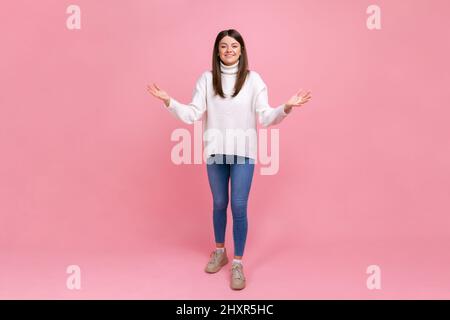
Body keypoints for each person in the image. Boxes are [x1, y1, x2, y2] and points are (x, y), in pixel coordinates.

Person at [147, 29, 312, 290]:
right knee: (219, 202)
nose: (228, 50)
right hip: (216, 151)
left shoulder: (253, 80)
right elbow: (192, 114)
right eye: (223, 46)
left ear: (241, 50)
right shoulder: (206, 79)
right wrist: (168, 101)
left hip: (244, 152)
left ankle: (237, 263)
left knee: (238, 205)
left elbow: (266, 117)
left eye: (234, 46)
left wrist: (286, 107)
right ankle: (220, 251)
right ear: (217, 51)